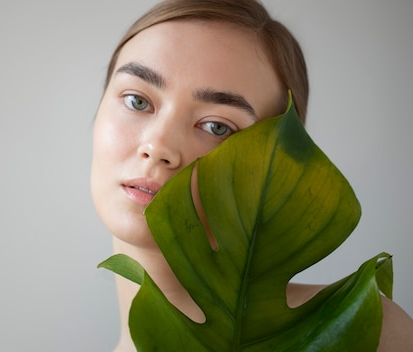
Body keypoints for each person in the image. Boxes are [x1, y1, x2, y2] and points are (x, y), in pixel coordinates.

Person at [89, 0, 413, 351]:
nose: (159, 146)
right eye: (137, 101)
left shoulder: (364, 334)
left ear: (277, 168)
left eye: (216, 126)